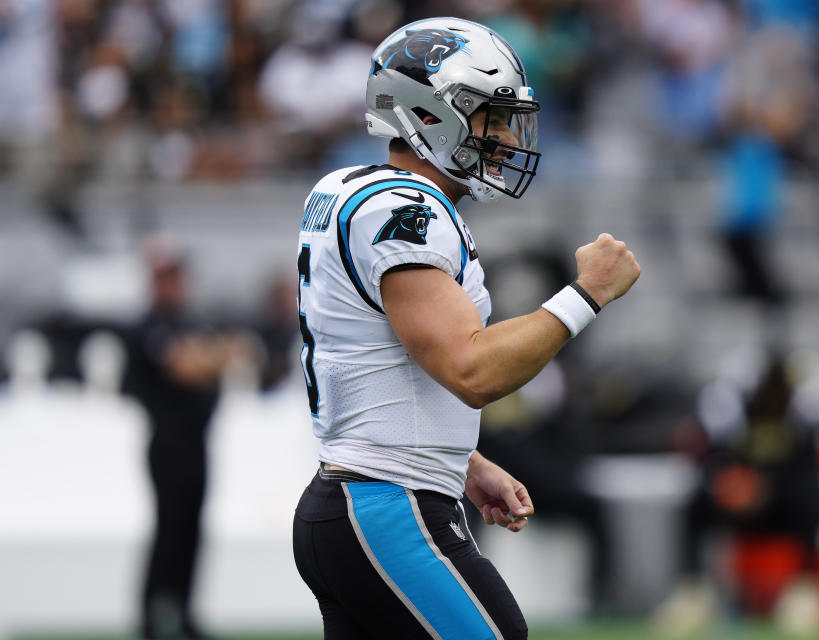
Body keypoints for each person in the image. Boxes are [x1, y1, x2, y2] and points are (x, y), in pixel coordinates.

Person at [290, 17, 642, 640]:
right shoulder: (406, 210)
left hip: (358, 499)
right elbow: (470, 369)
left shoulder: (353, 189)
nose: (506, 138)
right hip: (387, 510)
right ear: (428, 115)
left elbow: (383, 363)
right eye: (490, 118)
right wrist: (585, 295)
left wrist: (466, 460)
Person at [122, 241, 249, 639]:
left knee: (193, 530)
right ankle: (150, 616)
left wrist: (206, 356)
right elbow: (188, 366)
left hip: (197, 444)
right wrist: (207, 358)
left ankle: (185, 610)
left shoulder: (190, 322)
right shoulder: (149, 327)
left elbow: (233, 354)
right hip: (168, 447)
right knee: (167, 531)